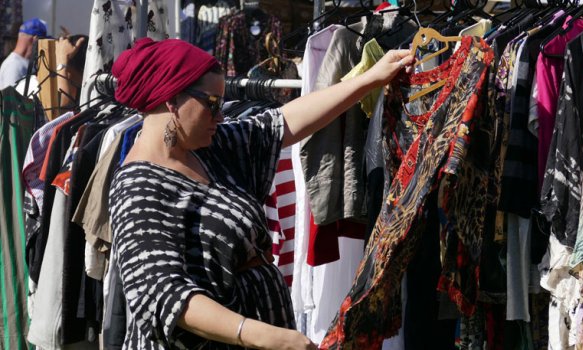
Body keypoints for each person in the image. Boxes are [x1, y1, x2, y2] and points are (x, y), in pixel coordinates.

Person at [108, 38, 413, 349]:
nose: (221, 116)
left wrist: (372, 77)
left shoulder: (211, 148)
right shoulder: (138, 188)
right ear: (172, 100)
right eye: (212, 104)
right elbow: (163, 294)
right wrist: (259, 334)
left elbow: (284, 121)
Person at [0, 18, 49, 90]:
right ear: (35, 39)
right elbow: (11, 99)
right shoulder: (14, 65)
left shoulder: (25, 63)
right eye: (42, 40)